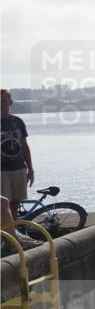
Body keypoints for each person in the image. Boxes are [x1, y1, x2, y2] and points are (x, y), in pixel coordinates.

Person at [1, 89, 34, 217]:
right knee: (3, 205)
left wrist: (30, 169)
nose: (0, 104)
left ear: (10, 102)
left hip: (19, 168)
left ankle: (13, 228)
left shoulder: (18, 122)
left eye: (3, 100)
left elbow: (24, 145)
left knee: (15, 204)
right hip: (1, 171)